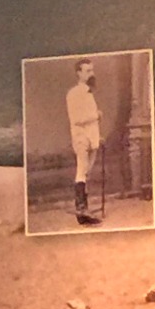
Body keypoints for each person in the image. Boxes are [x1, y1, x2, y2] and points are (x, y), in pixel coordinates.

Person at [63, 58, 105, 227]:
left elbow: (92, 123)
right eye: (87, 71)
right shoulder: (73, 94)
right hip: (81, 138)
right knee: (81, 171)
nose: (91, 74)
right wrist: (96, 115)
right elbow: (77, 119)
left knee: (86, 174)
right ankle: (81, 209)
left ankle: (83, 213)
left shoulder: (89, 94)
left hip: (92, 139)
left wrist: (98, 136)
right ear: (79, 73)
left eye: (92, 70)